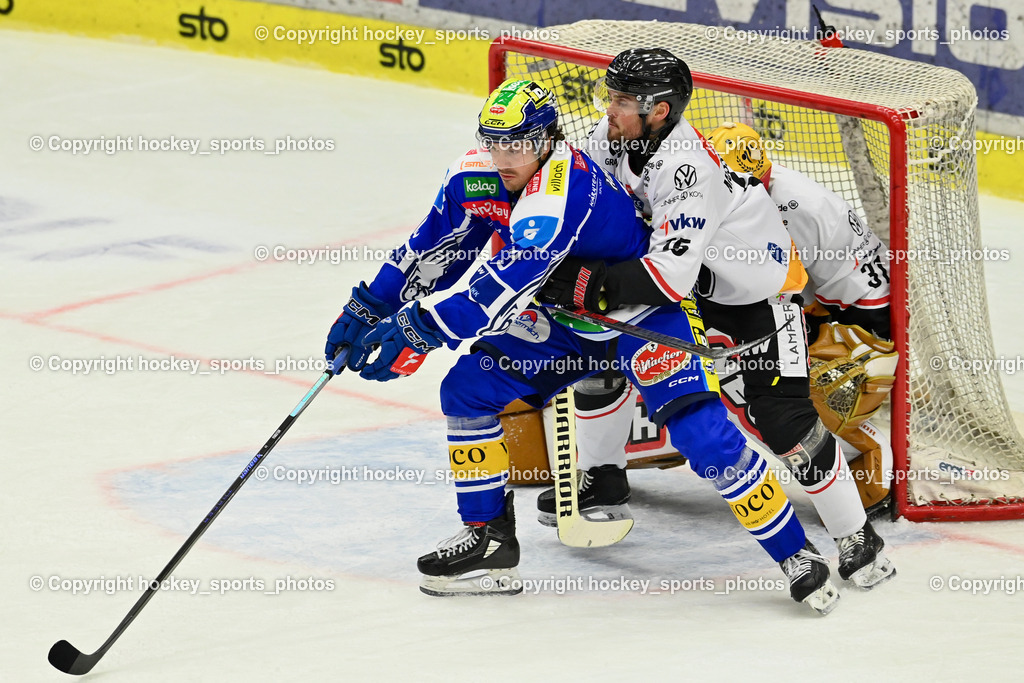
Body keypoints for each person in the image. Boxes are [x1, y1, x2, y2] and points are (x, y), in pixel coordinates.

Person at [324, 77, 839, 613]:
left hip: (643, 318)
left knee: (702, 435)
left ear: (546, 140)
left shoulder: (559, 191)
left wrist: (417, 330)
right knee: (467, 388)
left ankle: (796, 556)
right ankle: (490, 542)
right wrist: (367, 307)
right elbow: (431, 247)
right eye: (495, 143)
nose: (505, 159)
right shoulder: (473, 177)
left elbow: (498, 287)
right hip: (569, 321)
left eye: (520, 145)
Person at [535, 49, 895, 590]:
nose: (609, 109)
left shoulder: (687, 168)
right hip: (690, 295)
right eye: (609, 96)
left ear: (659, 111)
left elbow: (670, 276)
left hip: (753, 302)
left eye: (622, 100)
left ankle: (855, 535)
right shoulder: (613, 140)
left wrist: (589, 285)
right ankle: (604, 476)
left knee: (784, 424)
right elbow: (573, 194)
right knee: (598, 353)